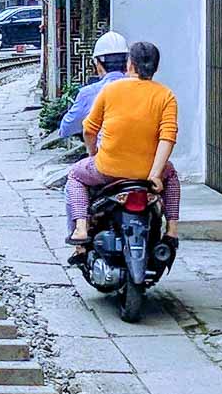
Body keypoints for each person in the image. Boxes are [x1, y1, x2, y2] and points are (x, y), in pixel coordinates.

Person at [65, 41, 180, 251]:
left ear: (130, 64)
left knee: (74, 175)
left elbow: (89, 130)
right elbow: (168, 137)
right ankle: (172, 229)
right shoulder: (166, 95)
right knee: (171, 176)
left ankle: (81, 227)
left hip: (107, 169)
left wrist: (93, 153)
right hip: (147, 175)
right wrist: (155, 174)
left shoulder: (111, 90)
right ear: (155, 66)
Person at [59, 30, 129, 139]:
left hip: (103, 153)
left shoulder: (88, 94)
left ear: (97, 64)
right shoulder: (143, 90)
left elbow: (66, 129)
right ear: (127, 62)